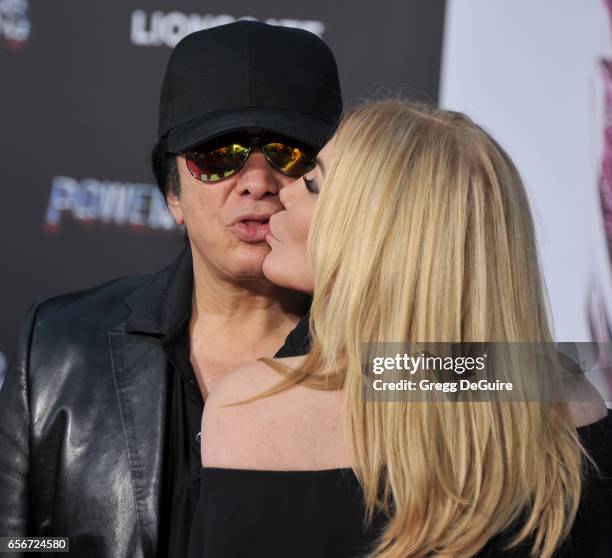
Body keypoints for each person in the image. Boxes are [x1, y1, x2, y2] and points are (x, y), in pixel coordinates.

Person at [191, 99, 612, 557]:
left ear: (379, 236)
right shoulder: (570, 397)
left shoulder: (253, 408)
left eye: (313, 184)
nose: (285, 192)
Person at [0, 21, 342, 558]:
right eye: (217, 155)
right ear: (172, 195)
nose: (256, 182)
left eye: (288, 153)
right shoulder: (57, 345)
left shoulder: (394, 358)